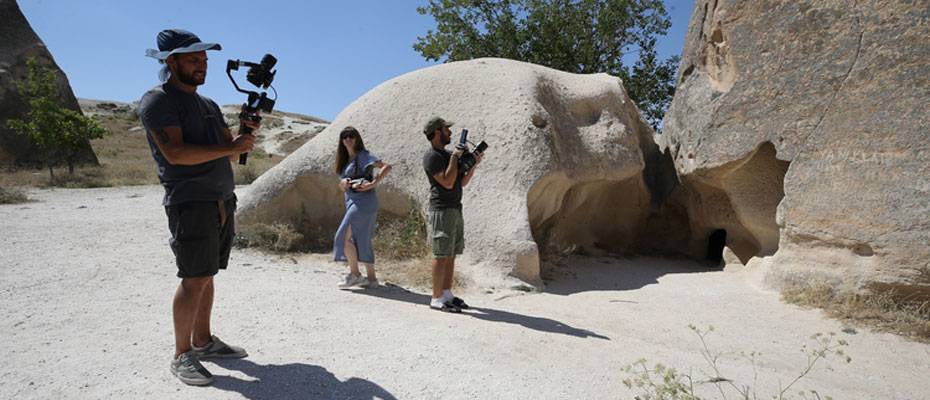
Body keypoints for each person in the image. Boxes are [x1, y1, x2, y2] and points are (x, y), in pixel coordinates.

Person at [138, 29, 258, 386]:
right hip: (190, 201)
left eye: (204, 60)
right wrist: (228, 148)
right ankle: (181, 355)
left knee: (207, 274)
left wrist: (244, 133)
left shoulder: (207, 105)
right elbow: (175, 154)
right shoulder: (158, 101)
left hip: (221, 198)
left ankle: (203, 341)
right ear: (170, 62)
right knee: (193, 279)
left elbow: (232, 149)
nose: (201, 66)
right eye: (193, 59)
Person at [421, 117, 482, 313]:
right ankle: (436, 297)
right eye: (447, 129)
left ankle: (447, 293)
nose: (450, 133)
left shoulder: (447, 155)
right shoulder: (432, 156)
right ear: (437, 132)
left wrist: (473, 164)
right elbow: (446, 182)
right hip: (441, 209)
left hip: (455, 207)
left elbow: (460, 183)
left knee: (451, 254)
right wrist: (455, 157)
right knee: (441, 255)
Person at [333, 126, 392, 288]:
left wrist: (373, 183)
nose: (348, 139)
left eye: (351, 136)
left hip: (363, 203)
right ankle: (372, 280)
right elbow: (342, 185)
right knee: (362, 238)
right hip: (353, 202)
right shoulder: (345, 160)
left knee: (343, 236)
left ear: (357, 138)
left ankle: (355, 274)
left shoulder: (364, 155)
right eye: (344, 137)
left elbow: (387, 166)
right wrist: (343, 183)